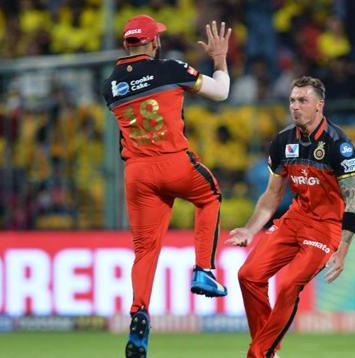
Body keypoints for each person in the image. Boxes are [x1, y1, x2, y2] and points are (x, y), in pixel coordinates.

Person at [101, 15, 232, 358]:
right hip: (173, 161)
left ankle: (138, 311)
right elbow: (221, 92)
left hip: (137, 173)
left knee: (145, 250)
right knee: (210, 196)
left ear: (126, 44)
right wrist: (219, 60)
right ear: (152, 42)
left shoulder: (110, 85)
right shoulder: (171, 68)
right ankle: (203, 270)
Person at [227, 76, 355, 358]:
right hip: (295, 218)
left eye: (303, 101)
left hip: (326, 228)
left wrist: (343, 249)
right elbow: (272, 195)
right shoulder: (282, 142)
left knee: (289, 284)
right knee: (248, 275)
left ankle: (260, 353)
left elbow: (354, 201)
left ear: (319, 106)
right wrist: (251, 230)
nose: (295, 106)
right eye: (292, 100)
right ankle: (270, 350)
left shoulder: (339, 144)